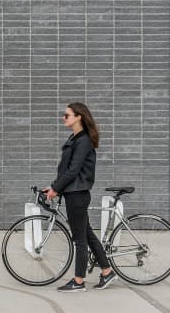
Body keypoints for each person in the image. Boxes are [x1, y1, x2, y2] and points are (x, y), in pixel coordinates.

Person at [43, 102, 116, 292]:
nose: (63, 118)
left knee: (80, 239)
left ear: (79, 117)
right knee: (88, 235)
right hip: (74, 193)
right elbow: (66, 169)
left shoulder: (83, 141)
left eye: (67, 115)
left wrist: (55, 188)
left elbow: (73, 171)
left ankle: (78, 281)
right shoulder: (76, 138)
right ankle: (107, 272)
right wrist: (53, 187)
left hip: (77, 194)